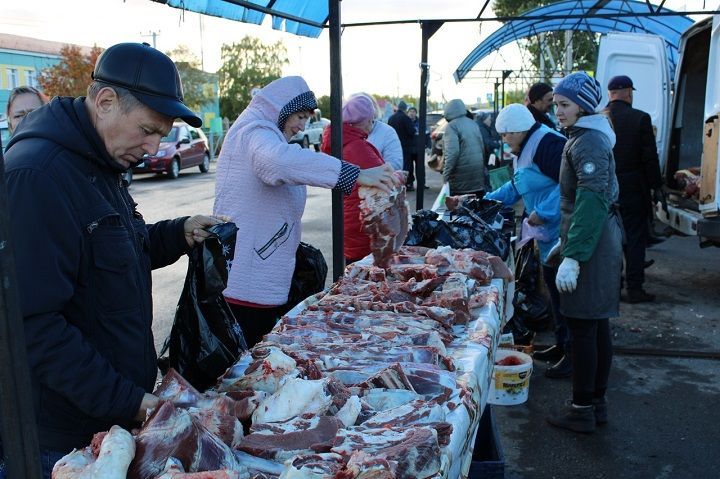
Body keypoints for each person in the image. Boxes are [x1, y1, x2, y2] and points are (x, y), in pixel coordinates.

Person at [0, 42, 225, 478]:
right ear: (105, 102)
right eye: (147, 129)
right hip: (63, 441)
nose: (155, 145)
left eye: (162, 133)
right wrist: (131, 401)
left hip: (109, 421)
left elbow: (119, 251)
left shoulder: (98, 162)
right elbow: (31, 326)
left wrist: (177, 232)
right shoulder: (37, 176)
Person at [213, 76, 396, 349]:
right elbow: (278, 161)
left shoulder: (260, 131)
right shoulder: (255, 132)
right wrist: (354, 174)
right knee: (249, 367)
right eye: (298, 116)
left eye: (307, 119)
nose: (302, 125)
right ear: (280, 108)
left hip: (257, 273)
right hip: (248, 284)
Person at [547, 72, 622, 434]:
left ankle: (582, 409)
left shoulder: (587, 142)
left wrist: (574, 256)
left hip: (592, 244)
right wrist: (567, 242)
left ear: (584, 106)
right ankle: (596, 403)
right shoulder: (585, 137)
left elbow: (590, 202)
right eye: (556, 104)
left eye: (564, 104)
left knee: (583, 327)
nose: (557, 111)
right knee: (595, 325)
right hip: (596, 239)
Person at [487, 104, 571, 378]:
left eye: (506, 135)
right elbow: (518, 185)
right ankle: (561, 344)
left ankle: (572, 355)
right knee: (554, 291)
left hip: (560, 231)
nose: (504, 140)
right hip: (545, 235)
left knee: (566, 296)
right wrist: (485, 200)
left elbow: (569, 185)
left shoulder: (548, 143)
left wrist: (544, 211)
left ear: (518, 130)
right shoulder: (525, 147)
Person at [604, 75, 663, 303]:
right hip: (633, 189)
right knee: (635, 239)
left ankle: (612, 287)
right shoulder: (640, 118)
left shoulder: (599, 118)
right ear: (628, 92)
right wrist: (656, 187)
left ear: (610, 94)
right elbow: (650, 157)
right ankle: (635, 289)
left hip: (605, 189)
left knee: (610, 240)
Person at [321, 95, 385, 263]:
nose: (373, 122)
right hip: (362, 224)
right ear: (361, 121)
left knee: (354, 274)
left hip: (348, 220)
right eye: (371, 119)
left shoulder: (340, 142)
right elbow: (382, 182)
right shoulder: (357, 147)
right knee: (366, 281)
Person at [441, 98, 486, 197]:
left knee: (459, 209)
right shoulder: (473, 123)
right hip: (477, 179)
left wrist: (446, 175)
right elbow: (482, 148)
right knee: (476, 209)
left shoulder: (452, 126)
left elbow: (452, 153)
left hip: (460, 180)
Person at [352, 92, 403, 171]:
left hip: (378, 182)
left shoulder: (387, 132)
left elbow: (395, 164)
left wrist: (366, 175)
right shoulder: (344, 132)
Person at [388, 100, 417, 190]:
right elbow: (411, 131)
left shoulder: (391, 118)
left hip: (392, 146)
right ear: (405, 109)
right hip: (405, 146)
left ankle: (395, 183)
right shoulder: (405, 118)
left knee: (395, 166)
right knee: (406, 166)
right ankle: (407, 184)